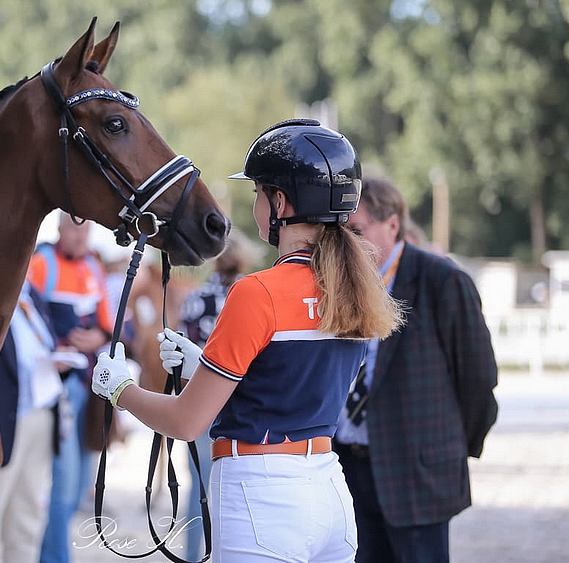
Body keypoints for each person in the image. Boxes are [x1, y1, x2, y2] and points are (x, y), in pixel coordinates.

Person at [91, 119, 403, 563]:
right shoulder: (357, 291)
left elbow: (185, 423)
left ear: (280, 202)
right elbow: (292, 385)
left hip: (262, 494)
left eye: (259, 192)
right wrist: (205, 364)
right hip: (328, 487)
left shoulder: (257, 292)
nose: (254, 202)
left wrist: (120, 389)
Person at [334, 176, 499, 563]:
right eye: (342, 232)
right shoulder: (340, 284)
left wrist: (451, 449)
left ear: (393, 224)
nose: (348, 243)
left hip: (417, 473)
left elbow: (477, 379)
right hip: (347, 469)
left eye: (356, 230)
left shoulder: (443, 281)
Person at [28, 212, 113, 563]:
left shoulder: (93, 267)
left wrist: (99, 336)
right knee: (62, 488)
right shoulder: (41, 264)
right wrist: (55, 348)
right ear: (60, 228)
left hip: (88, 386)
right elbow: (24, 319)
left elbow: (109, 322)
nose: (81, 236)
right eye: (74, 228)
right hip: (55, 389)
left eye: (86, 228)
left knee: (79, 485)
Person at [0, 279, 79, 563]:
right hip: (2, 420)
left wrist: (57, 362)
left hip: (41, 414)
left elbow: (38, 344)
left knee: (28, 519)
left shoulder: (31, 292)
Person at [176, 229, 261, 561]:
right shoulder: (251, 295)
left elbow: (183, 353)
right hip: (241, 403)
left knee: (199, 487)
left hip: (201, 397)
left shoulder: (195, 297)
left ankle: (193, 555)